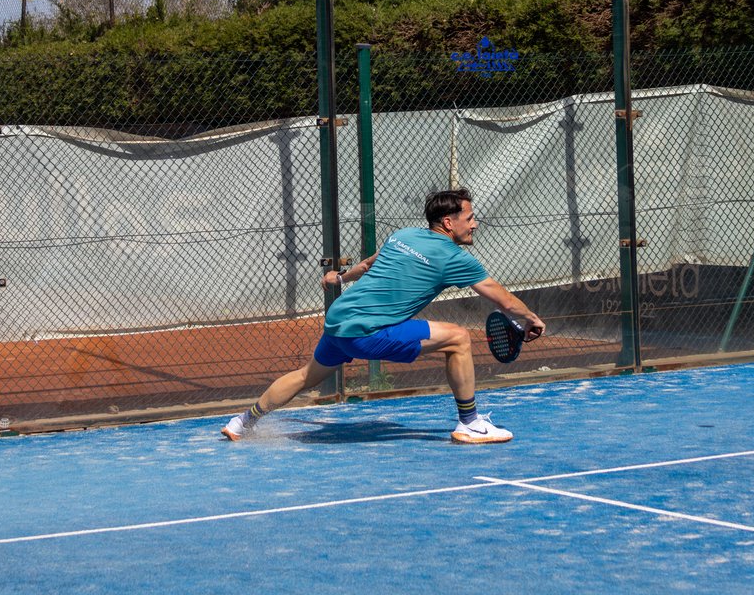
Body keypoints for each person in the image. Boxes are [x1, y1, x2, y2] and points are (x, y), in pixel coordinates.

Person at [222, 188, 546, 444]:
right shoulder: (455, 257)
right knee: (459, 338)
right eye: (470, 218)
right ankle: (470, 424)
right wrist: (531, 319)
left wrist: (340, 277)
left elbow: (367, 265)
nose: (474, 223)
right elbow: (502, 299)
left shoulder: (402, 236)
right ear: (449, 222)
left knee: (307, 375)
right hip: (366, 333)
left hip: (338, 321)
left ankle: (242, 423)